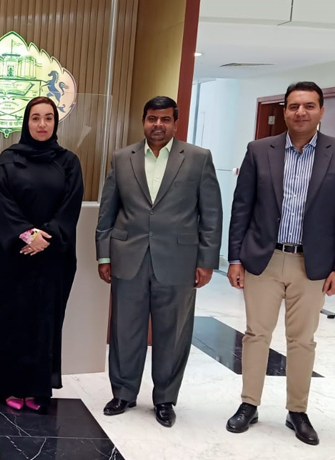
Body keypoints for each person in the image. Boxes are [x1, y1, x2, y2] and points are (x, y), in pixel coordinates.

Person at [225, 81, 335, 445]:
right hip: (263, 260)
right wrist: (235, 258)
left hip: (312, 264)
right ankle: (248, 405)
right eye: (294, 106)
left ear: (321, 111)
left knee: (302, 340)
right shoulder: (259, 150)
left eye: (309, 106)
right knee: (256, 335)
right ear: (284, 111)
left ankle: (297, 411)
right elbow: (242, 207)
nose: (301, 112)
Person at [95, 96, 222, 428]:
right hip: (128, 257)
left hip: (178, 260)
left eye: (165, 119)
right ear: (143, 120)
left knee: (173, 331)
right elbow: (108, 211)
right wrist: (104, 253)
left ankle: (165, 398)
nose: (158, 125)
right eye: (152, 118)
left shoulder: (197, 158)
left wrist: (207, 260)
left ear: (175, 123)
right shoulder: (123, 158)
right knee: (125, 329)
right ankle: (123, 392)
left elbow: (211, 214)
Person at [0, 96, 83, 412]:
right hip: (15, 257)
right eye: (35, 118)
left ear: (55, 123)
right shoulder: (9, 159)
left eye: (48, 118)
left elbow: (71, 205)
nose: (42, 124)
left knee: (45, 322)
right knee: (14, 320)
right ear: (26, 122)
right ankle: (12, 387)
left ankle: (38, 389)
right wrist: (27, 233)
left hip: (52, 258)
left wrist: (48, 236)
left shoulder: (68, 161)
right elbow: (3, 205)